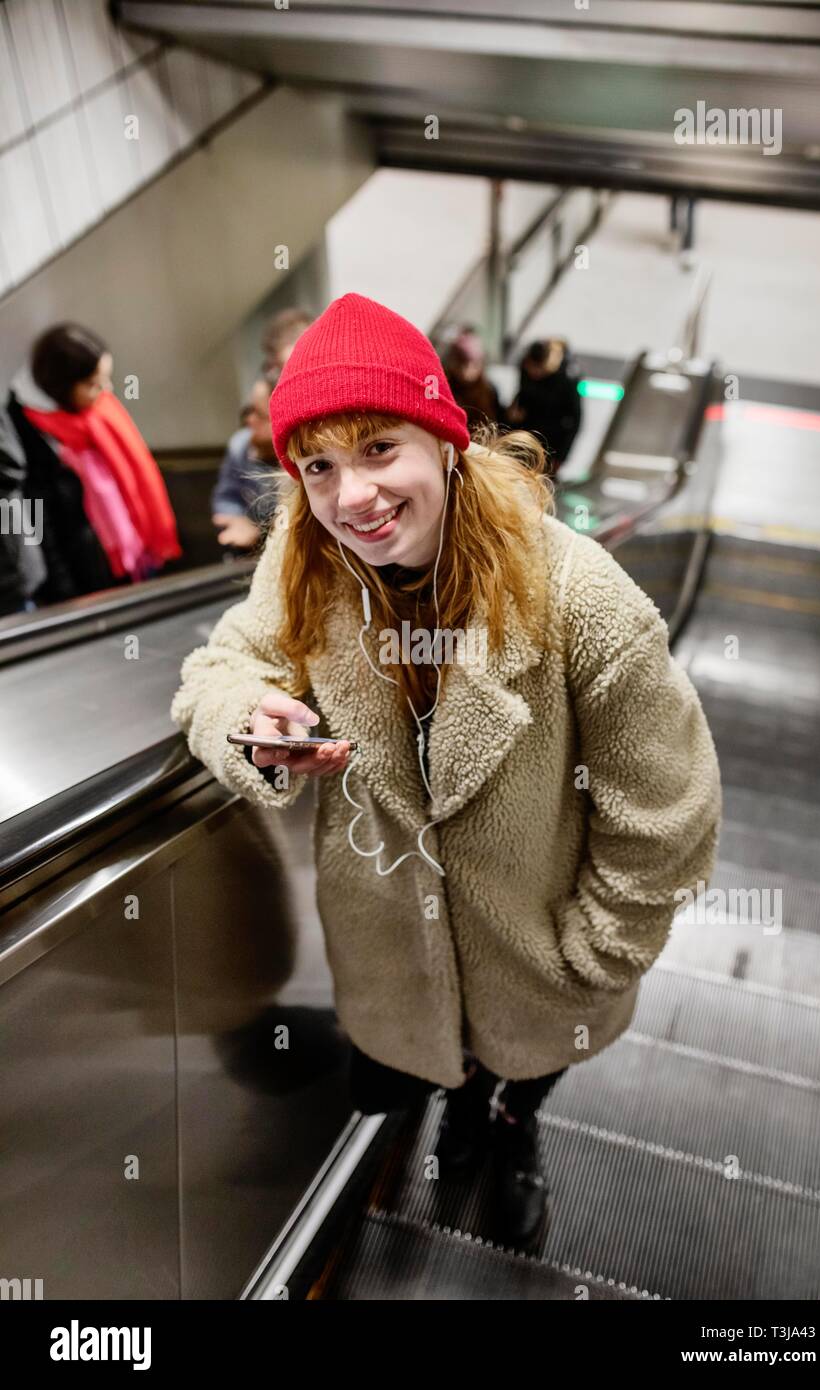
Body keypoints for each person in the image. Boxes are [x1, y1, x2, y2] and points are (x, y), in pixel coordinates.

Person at [170, 293, 722, 1250]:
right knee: (427, 1070)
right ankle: (464, 1115)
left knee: (522, 1070)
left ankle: (510, 1126)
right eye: (319, 466)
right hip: (389, 956)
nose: (352, 498)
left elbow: (667, 808)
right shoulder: (304, 560)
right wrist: (241, 718)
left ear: (444, 441)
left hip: (541, 955)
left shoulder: (579, 597)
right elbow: (218, 670)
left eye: (379, 448)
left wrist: (591, 959)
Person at [0, 323, 181, 616]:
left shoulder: (99, 412)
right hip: (84, 576)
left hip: (132, 557)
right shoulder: (25, 437)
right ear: (61, 386)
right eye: (94, 384)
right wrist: (65, 596)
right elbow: (37, 523)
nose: (106, 391)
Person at [211, 370, 283, 554]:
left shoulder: (303, 457)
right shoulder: (241, 446)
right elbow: (226, 498)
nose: (249, 421)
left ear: (282, 417)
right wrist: (238, 519)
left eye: (259, 415)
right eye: (249, 410)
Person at [507, 338, 582, 474]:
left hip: (552, 442)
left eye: (539, 369)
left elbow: (575, 420)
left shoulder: (567, 377)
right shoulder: (525, 367)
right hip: (526, 434)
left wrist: (561, 457)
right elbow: (522, 393)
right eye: (531, 367)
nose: (534, 373)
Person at [441, 326, 506, 434]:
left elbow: (497, 425)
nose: (468, 370)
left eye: (474, 364)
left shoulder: (489, 391)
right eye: (463, 363)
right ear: (454, 361)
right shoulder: (445, 388)